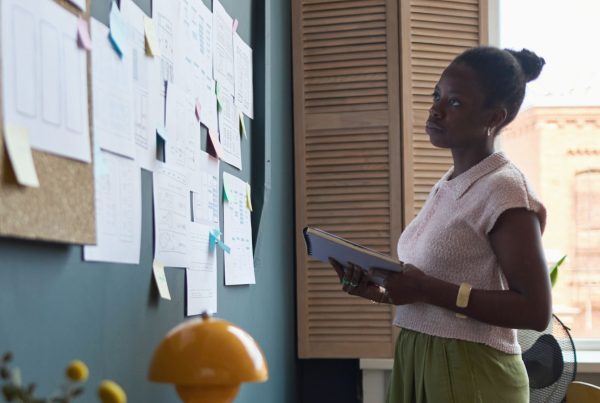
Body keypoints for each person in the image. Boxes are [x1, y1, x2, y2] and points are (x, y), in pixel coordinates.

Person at [329, 46, 551, 402]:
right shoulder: (450, 183)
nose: (436, 109)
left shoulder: (506, 189)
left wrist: (423, 289)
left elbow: (535, 310)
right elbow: (437, 291)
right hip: (420, 358)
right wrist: (382, 291)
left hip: (472, 372)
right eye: (437, 95)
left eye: (455, 103)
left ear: (494, 116)